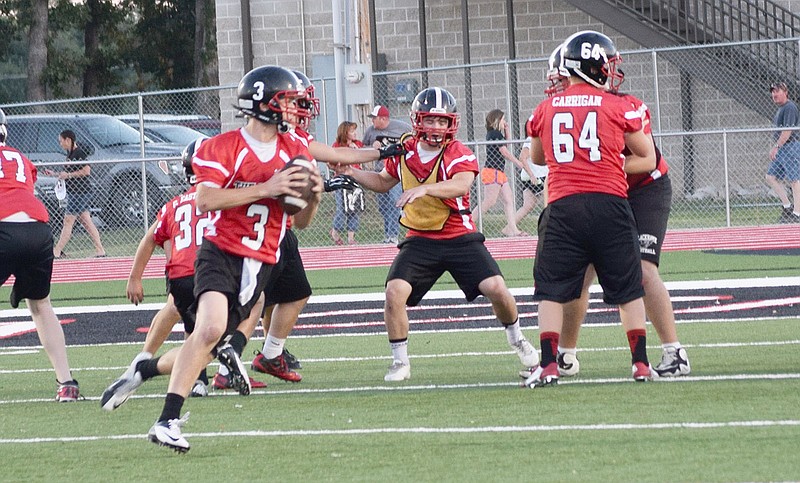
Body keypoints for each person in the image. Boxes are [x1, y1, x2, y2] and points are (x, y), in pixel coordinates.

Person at [147, 65, 324, 453]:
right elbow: (205, 199)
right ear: (264, 103)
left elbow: (303, 221)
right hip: (221, 250)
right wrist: (268, 187)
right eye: (289, 100)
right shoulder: (223, 146)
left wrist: (313, 197)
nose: (295, 108)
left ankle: (147, 370)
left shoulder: (295, 150)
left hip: (261, 260)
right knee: (209, 330)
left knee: (217, 336)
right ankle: (167, 421)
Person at [334, 87, 538, 382]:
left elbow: (461, 185)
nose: (436, 127)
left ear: (450, 123)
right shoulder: (404, 148)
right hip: (420, 238)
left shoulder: (457, 151)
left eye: (442, 121)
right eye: (430, 120)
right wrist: (351, 173)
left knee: (496, 287)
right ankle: (400, 361)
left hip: (458, 234)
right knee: (394, 293)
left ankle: (517, 338)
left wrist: (426, 188)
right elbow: (381, 181)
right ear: (418, 120)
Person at [536, 42, 690, 379]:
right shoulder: (557, 110)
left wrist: (603, 164)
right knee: (581, 274)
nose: (559, 85)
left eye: (562, 77)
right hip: (599, 196)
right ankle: (565, 354)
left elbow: (645, 158)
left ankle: (673, 352)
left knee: (643, 269)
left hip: (643, 187)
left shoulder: (625, 106)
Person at [523, 31, 657, 388]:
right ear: (597, 68)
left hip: (564, 206)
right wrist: (610, 163)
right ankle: (640, 364)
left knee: (551, 289)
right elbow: (647, 158)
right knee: (628, 289)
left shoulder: (545, 108)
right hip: (610, 204)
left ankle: (550, 364)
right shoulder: (617, 106)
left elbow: (539, 159)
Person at [101, 139, 269, 412]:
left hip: (179, 278)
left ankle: (188, 377)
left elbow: (151, 237)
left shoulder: (175, 204)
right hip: (212, 273)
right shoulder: (226, 199)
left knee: (195, 335)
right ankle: (226, 351)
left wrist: (135, 277)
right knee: (249, 305)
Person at [0, 108, 81, 402]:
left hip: (3, 227)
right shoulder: (20, 158)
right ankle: (66, 382)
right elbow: (20, 192)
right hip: (38, 230)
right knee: (41, 306)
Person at [46, 130, 106, 258]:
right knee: (86, 222)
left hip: (80, 193)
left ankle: (57, 251)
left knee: (68, 220)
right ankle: (100, 250)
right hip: (75, 193)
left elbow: (86, 171)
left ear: (68, 140)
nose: (60, 144)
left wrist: (67, 175)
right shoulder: (70, 155)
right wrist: (55, 174)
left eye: (61, 141)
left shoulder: (79, 153)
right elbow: (68, 173)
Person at [477, 109, 533, 237]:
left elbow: (505, 145)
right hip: (492, 171)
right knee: (489, 201)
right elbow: (505, 152)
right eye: (503, 120)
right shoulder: (493, 133)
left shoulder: (498, 134)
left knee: (508, 200)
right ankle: (469, 224)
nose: (504, 122)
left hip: (499, 172)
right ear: (497, 120)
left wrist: (507, 131)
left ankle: (513, 230)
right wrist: (518, 163)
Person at [362, 105, 413, 244]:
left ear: (383, 118)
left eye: (374, 118)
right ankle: (387, 234)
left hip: (395, 172)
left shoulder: (402, 127)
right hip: (379, 172)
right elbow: (362, 146)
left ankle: (393, 235)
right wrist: (372, 148)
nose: (372, 121)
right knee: (383, 206)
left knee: (394, 201)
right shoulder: (370, 131)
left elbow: (412, 139)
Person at [765, 81, 800, 223]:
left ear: (785, 92)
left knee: (794, 180)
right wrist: (778, 147)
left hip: (790, 147)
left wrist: (776, 147)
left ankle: (797, 214)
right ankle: (787, 206)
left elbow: (787, 131)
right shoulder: (781, 108)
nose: (774, 94)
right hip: (782, 148)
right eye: (773, 91)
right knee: (770, 177)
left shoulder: (790, 107)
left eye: (777, 91)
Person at [330, 121, 364, 246]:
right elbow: (333, 161)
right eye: (352, 131)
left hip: (355, 180)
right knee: (342, 209)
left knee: (354, 208)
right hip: (341, 181)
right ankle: (335, 231)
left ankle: (351, 237)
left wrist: (357, 150)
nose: (355, 133)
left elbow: (363, 157)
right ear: (345, 133)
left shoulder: (358, 144)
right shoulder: (337, 145)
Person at [512, 137, 548, 227]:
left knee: (528, 205)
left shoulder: (544, 136)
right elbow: (522, 157)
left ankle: (510, 227)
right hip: (536, 176)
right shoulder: (532, 139)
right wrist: (532, 175)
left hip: (540, 174)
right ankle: (550, 226)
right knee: (551, 200)